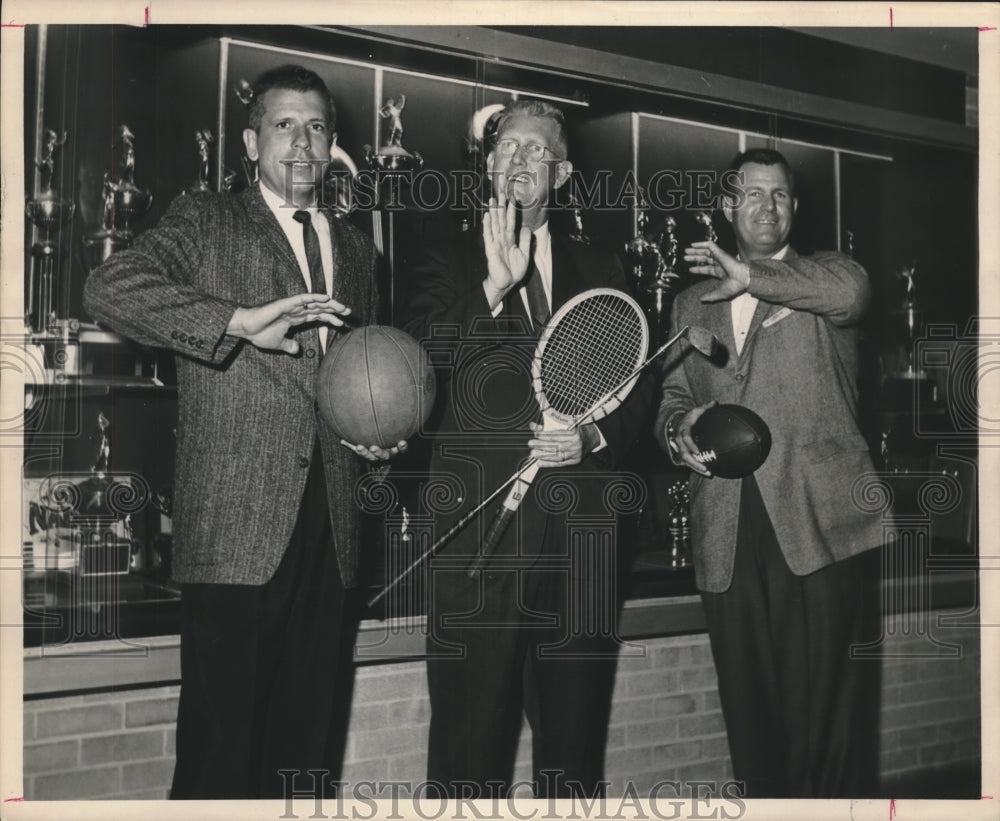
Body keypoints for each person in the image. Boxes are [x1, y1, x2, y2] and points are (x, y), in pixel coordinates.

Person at [83, 64, 405, 800]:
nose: (304, 141)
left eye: (318, 127)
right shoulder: (207, 218)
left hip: (335, 528)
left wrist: (381, 441)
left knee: (307, 752)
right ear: (253, 139)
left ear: (333, 146)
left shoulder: (358, 252)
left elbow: (363, 376)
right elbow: (107, 287)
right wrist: (234, 322)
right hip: (235, 528)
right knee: (220, 758)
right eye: (285, 124)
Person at [403, 99, 652, 799]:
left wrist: (594, 435)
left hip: (582, 546)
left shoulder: (601, 265)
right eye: (505, 147)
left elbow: (640, 387)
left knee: (572, 765)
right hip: (480, 545)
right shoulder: (444, 258)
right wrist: (493, 284)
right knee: (466, 760)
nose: (516, 160)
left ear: (563, 173)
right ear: (486, 164)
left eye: (534, 150)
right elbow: (417, 369)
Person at [655, 148, 884, 798]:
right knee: (752, 728)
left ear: (795, 206)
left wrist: (753, 276)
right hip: (728, 530)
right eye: (752, 194)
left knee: (828, 733)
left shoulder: (824, 278)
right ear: (728, 207)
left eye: (780, 195)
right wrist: (678, 432)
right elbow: (670, 402)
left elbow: (854, 292)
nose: (767, 206)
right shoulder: (690, 305)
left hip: (817, 527)